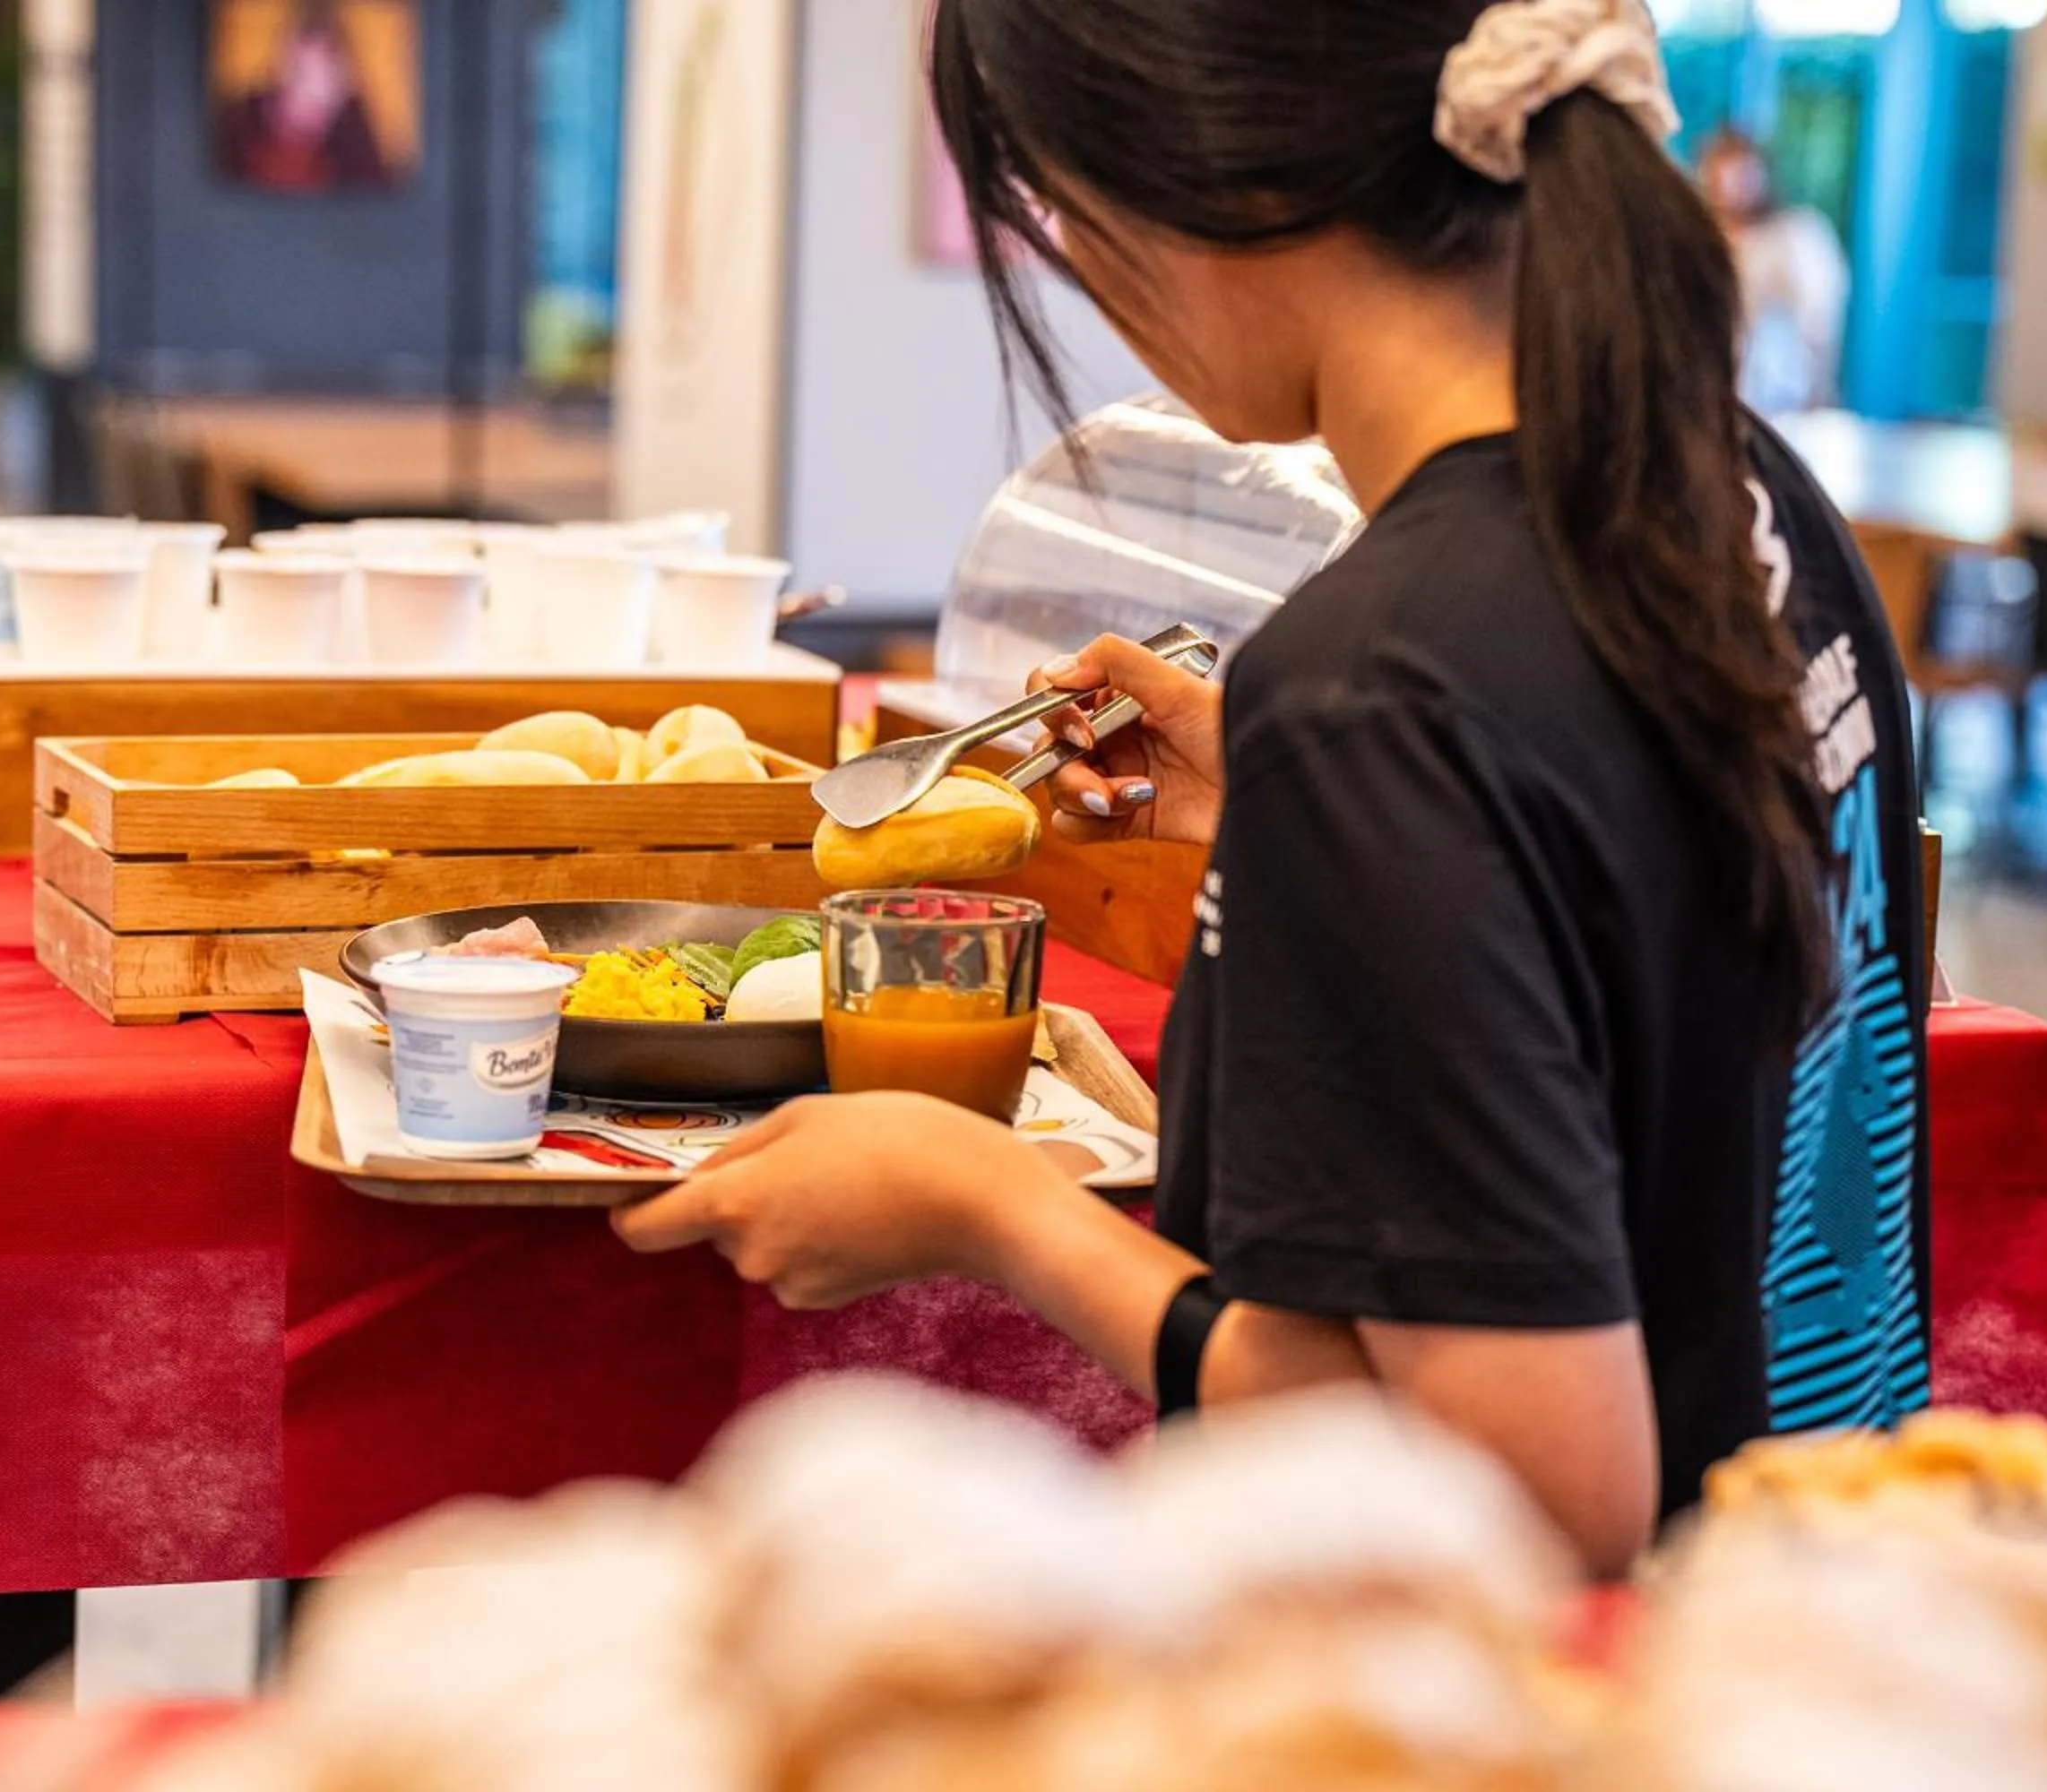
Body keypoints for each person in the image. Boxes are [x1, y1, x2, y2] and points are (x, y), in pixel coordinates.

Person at [617, 0, 1929, 1575]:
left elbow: (1525, 1492)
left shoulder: (1382, 680)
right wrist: (1310, 835)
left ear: (1218, 181)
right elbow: (1646, 950)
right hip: (1794, 1612)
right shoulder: (1738, 488)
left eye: (1059, 202)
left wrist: (993, 1212)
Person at [1699, 128, 1852, 415]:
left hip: (1781, 396)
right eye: (1724, 169)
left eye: (1742, 170)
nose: (1733, 183)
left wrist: (1819, 384)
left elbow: (1819, 318)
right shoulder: (1701, 240)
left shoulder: (1796, 236)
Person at [218, 6, 392, 193]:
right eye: (302, 75)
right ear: (279, 70)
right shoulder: (240, 126)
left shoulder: (356, 141)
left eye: (328, 81)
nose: (312, 95)